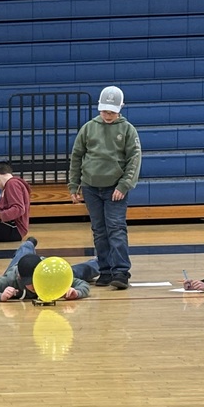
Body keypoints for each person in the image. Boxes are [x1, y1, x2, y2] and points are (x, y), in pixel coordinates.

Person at [67, 85, 142, 290]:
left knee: (116, 229)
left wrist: (124, 185)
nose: (107, 115)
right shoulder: (89, 127)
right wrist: (74, 185)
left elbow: (134, 160)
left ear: (120, 108)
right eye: (104, 111)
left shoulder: (127, 129)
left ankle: (121, 272)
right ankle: (105, 270)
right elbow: (76, 156)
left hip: (115, 188)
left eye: (111, 111)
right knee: (99, 231)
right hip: (91, 187)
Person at [0, 238, 96, 302]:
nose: (35, 285)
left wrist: (76, 293)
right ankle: (29, 243)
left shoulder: (51, 275)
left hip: (48, 267)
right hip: (19, 266)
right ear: (20, 278)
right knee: (22, 254)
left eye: (37, 280)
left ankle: (99, 263)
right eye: (31, 282)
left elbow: (83, 285)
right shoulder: (11, 278)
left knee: (82, 271)